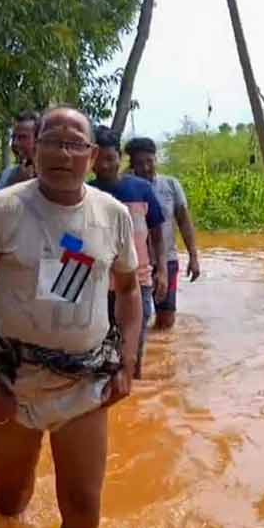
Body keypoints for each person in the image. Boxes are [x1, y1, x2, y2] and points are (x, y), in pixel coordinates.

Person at [0, 106, 142, 528]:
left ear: (92, 156)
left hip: (85, 380)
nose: (63, 152)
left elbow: (129, 291)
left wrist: (127, 364)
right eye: (52, 141)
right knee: (8, 502)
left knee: (82, 510)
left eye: (75, 143)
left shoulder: (112, 215)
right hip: (12, 379)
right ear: (34, 150)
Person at [89, 125, 167, 379]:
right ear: (91, 159)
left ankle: (135, 400)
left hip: (138, 282)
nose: (104, 166)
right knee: (99, 352)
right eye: (98, 159)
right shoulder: (85, 193)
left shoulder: (141, 190)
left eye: (110, 158)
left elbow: (157, 234)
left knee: (133, 351)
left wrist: (163, 271)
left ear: (120, 157)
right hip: (97, 285)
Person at [124, 136, 201, 330]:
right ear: (132, 165)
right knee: (133, 320)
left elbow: (184, 221)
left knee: (166, 323)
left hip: (168, 260)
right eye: (140, 163)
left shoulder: (171, 185)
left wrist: (193, 256)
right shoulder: (126, 188)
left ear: (156, 159)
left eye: (149, 161)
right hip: (135, 263)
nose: (146, 167)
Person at [0, 110, 39, 190]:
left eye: (22, 137)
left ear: (38, 139)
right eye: (13, 137)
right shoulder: (5, 176)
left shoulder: (52, 177)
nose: (15, 143)